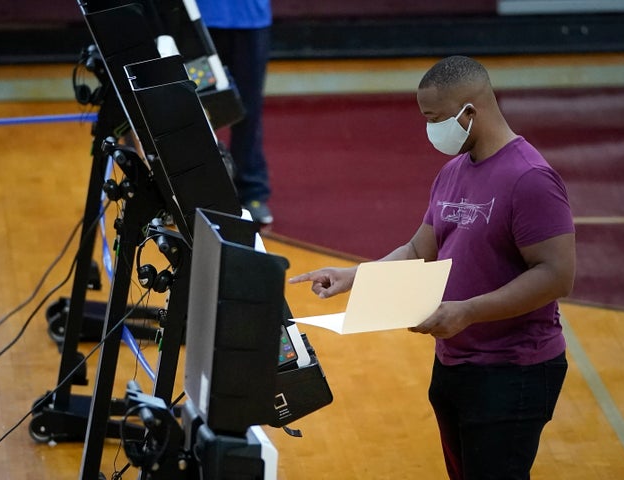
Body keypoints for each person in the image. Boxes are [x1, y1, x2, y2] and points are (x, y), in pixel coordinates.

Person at [289, 55, 576, 480]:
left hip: (513, 371)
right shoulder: (452, 172)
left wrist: (468, 311)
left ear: (470, 112)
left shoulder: (530, 178)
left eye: (435, 119)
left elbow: (557, 275)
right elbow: (418, 248)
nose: (429, 131)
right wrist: (357, 276)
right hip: (455, 362)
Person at [197, 0, 274, 224]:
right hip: (199, 19)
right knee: (195, 108)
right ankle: (192, 190)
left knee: (247, 109)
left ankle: (251, 192)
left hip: (250, 19)